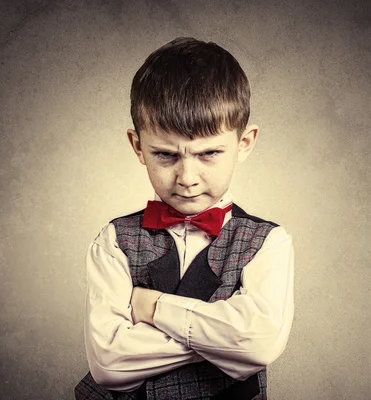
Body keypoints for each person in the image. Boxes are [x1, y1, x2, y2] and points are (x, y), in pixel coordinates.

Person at [75, 37, 294, 400]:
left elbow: (258, 344)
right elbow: (109, 364)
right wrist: (225, 337)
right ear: (137, 146)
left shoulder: (270, 242)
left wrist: (152, 307)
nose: (187, 178)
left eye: (209, 154)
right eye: (165, 154)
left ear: (244, 143)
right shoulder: (114, 239)